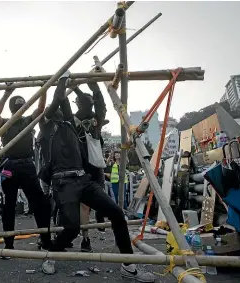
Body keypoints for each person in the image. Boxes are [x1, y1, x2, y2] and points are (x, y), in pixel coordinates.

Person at [38, 73, 155, 282]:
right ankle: (51, 253)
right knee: (72, 228)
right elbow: (57, 100)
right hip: (63, 183)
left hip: (83, 180)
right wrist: (62, 81)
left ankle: (128, 265)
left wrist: (82, 87)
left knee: (117, 213)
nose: (61, 110)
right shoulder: (46, 126)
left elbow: (69, 103)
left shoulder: (70, 123)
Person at [0, 87, 52, 257]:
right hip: (9, 167)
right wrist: (6, 93)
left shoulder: (28, 121)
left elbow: (40, 109)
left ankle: (45, 240)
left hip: (27, 166)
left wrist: (44, 89)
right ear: (12, 109)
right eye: (18, 106)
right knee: (8, 206)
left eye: (23, 106)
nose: (21, 108)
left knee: (40, 204)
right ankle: (8, 245)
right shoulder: (5, 123)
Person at [70, 82, 109, 252]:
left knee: (94, 200)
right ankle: (85, 239)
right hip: (83, 167)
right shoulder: (75, 120)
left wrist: (95, 90)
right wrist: (83, 89)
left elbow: (100, 104)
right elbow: (94, 103)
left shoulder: (95, 120)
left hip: (92, 165)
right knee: (84, 205)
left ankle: (99, 214)